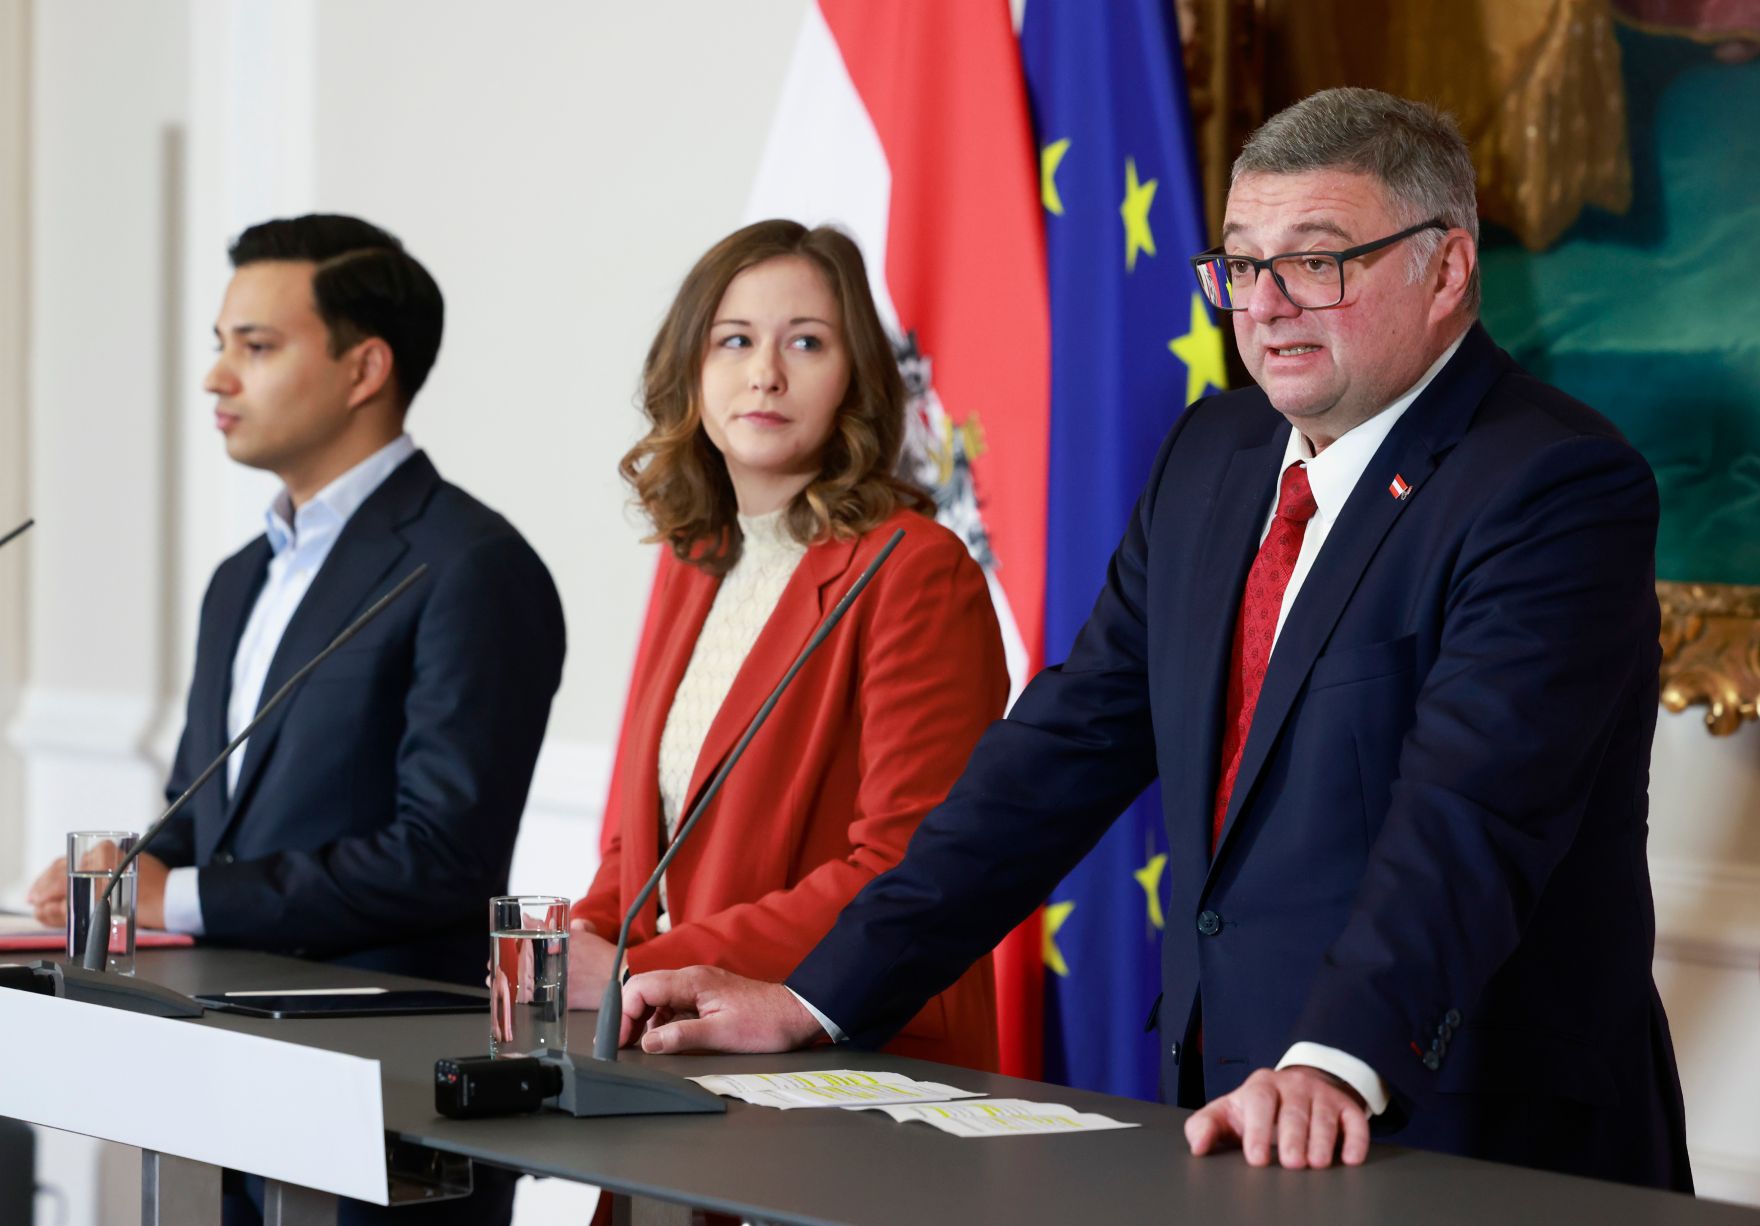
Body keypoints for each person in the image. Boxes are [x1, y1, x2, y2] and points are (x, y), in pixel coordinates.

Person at [614, 90, 1693, 1192]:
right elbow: (1059, 753)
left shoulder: (1551, 484)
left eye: (1314, 262)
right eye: (1240, 263)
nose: (1264, 305)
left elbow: (1471, 813)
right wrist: (815, 996)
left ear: (1447, 267)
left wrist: (1333, 1059)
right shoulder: (1213, 454)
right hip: (1225, 1110)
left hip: (1463, 1128)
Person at [28, 214, 565, 1225]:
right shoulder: (242, 577)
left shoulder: (470, 565)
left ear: (365, 368)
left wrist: (181, 895)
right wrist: (129, 866)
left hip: (379, 1094)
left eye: (257, 346)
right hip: (215, 1067)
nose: (216, 377)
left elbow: (440, 854)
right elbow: (205, 809)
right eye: (220, 344)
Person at [567, 219, 1006, 1073]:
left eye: (806, 342)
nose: (765, 373)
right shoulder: (695, 559)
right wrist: (579, 943)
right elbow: (638, 839)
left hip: (840, 1048)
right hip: (675, 1035)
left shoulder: (916, 569)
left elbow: (905, 866)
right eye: (734, 340)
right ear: (691, 370)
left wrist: (636, 968)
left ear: (856, 379)